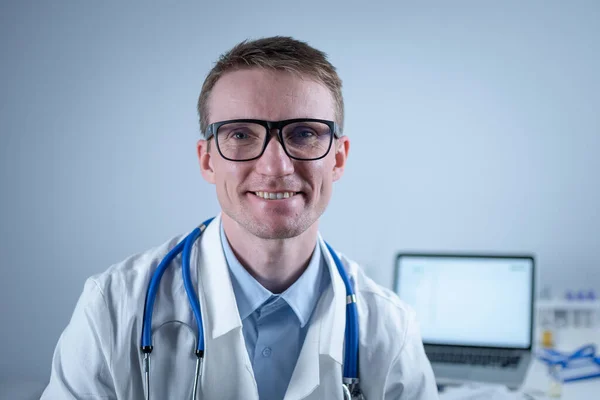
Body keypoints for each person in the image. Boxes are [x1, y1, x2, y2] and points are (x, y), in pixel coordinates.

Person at [41, 36, 438, 399]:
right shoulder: (113, 308)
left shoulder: (389, 328)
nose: (277, 165)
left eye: (303, 134)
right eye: (241, 134)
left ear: (338, 158)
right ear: (207, 160)